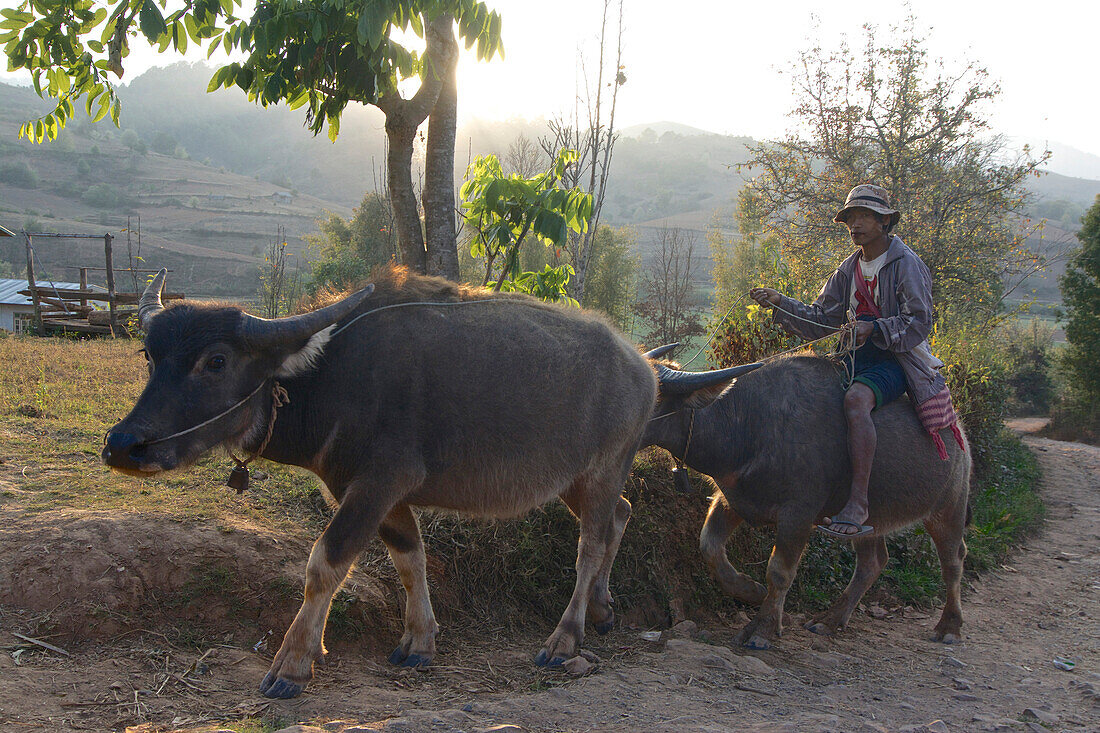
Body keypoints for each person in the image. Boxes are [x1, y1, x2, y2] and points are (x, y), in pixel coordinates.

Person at [750, 184, 947, 539]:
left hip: (895, 359)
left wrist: (874, 329)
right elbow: (821, 319)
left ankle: (859, 502)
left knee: (857, 401)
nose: (854, 224)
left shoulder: (906, 265)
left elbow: (919, 321)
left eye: (864, 216)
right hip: (851, 357)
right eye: (850, 217)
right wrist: (780, 302)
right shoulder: (848, 268)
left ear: (885, 221)